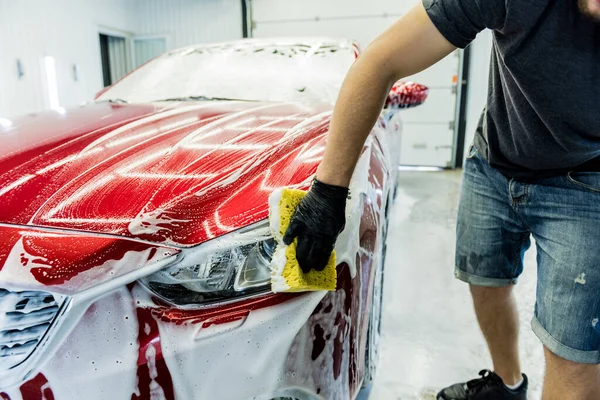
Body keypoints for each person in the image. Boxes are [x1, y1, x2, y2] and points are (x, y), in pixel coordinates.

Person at [282, 0, 600, 399]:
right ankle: (508, 384)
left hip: (589, 183)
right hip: (495, 161)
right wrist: (328, 190)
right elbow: (380, 60)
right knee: (486, 282)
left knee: (574, 353)